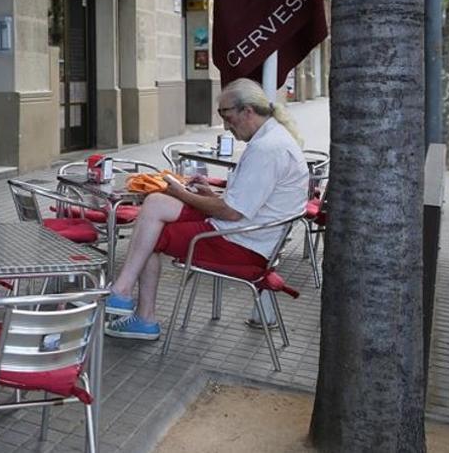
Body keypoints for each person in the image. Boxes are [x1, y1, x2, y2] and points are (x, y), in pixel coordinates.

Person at [104, 78, 310, 341]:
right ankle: (124, 296)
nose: (225, 125)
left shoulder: (268, 149)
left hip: (242, 245)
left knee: (151, 233)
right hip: (245, 232)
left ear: (248, 111)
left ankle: (140, 313)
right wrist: (209, 195)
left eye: (227, 116)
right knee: (155, 203)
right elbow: (246, 203)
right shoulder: (272, 138)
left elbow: (232, 212)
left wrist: (180, 193)